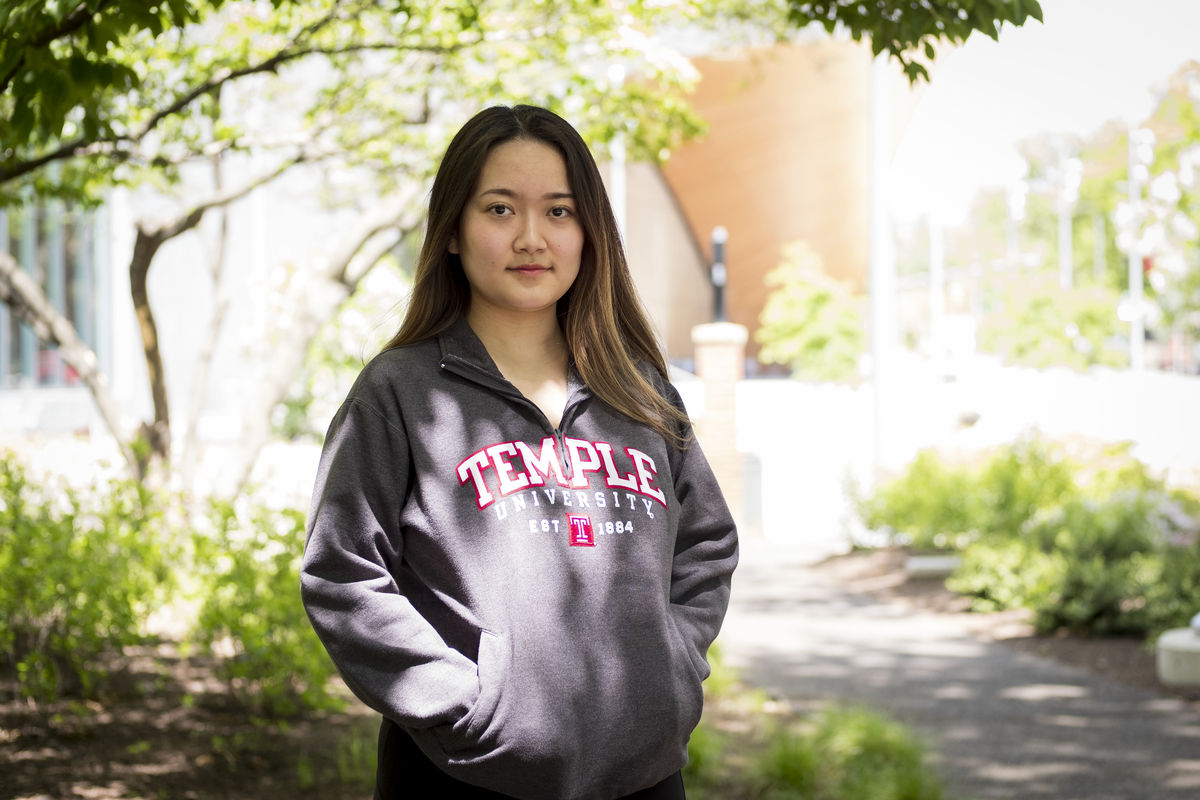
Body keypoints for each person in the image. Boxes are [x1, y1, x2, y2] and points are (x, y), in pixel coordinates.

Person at [300, 104, 738, 800]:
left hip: (645, 776)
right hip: (466, 775)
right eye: (500, 209)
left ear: (589, 231)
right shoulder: (400, 394)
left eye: (559, 212)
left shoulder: (636, 388)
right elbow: (342, 574)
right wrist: (463, 707)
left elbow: (707, 541)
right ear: (452, 231)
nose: (532, 237)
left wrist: (671, 670)